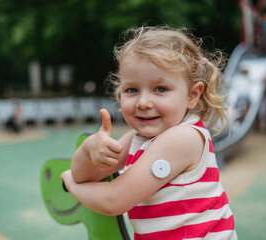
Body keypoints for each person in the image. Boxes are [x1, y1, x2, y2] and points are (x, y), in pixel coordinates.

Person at [61, 26, 237, 239]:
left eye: (160, 89)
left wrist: (70, 185)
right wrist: (88, 150)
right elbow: (85, 176)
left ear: (192, 95)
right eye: (132, 90)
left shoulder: (183, 138)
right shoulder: (138, 139)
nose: (143, 102)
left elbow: (113, 200)